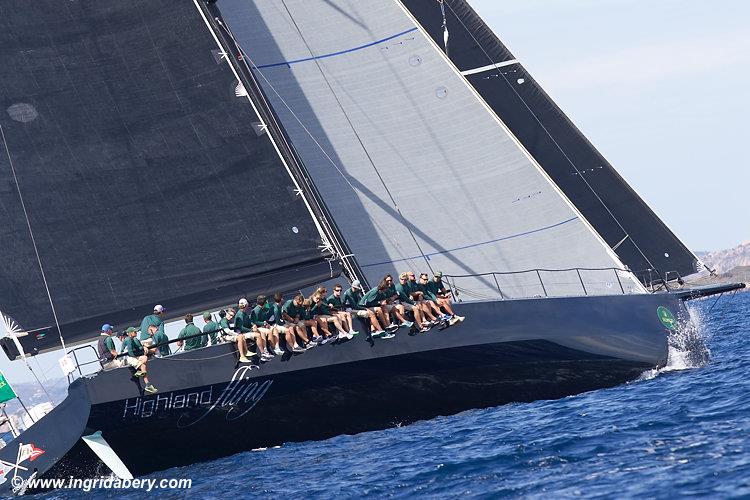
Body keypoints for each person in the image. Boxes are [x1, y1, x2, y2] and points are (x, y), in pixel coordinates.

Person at [122, 327, 157, 394]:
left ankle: (144, 382)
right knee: (143, 363)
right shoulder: (128, 340)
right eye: (134, 332)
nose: (136, 333)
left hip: (130, 357)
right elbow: (130, 352)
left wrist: (144, 346)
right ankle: (147, 384)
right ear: (130, 333)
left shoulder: (133, 339)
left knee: (144, 362)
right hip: (127, 358)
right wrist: (138, 358)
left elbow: (139, 347)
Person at [236, 298, 270, 362]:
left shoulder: (244, 313)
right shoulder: (240, 315)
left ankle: (265, 351)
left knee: (261, 332)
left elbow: (249, 321)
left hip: (247, 330)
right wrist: (251, 330)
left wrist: (253, 325)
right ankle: (262, 353)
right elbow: (241, 328)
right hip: (242, 333)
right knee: (257, 335)